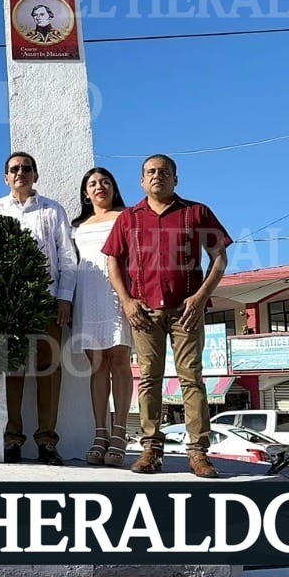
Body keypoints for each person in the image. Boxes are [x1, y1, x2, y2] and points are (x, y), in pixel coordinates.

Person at [103, 153, 232, 478]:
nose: (157, 176)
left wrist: (200, 298)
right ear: (142, 181)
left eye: (164, 172)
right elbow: (113, 263)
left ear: (175, 179)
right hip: (144, 313)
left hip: (186, 311)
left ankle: (198, 452)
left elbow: (219, 257)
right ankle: (151, 449)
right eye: (151, 172)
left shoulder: (196, 212)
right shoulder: (128, 218)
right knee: (149, 379)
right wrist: (127, 301)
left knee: (191, 379)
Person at [0, 151, 77, 465]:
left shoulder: (53, 210)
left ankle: (47, 443)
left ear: (35, 175)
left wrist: (64, 298)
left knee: (49, 371)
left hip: (47, 303)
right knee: (12, 369)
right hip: (9, 306)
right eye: (14, 169)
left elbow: (67, 257)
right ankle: (11, 439)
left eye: (26, 168)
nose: (20, 172)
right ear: (6, 177)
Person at [71, 166, 133, 467]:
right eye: (93, 183)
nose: (99, 187)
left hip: (117, 292)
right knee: (97, 364)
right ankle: (100, 434)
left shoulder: (127, 217)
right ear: (86, 192)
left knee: (119, 361)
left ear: (113, 187)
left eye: (105, 181)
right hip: (87, 293)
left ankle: (120, 433)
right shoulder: (77, 226)